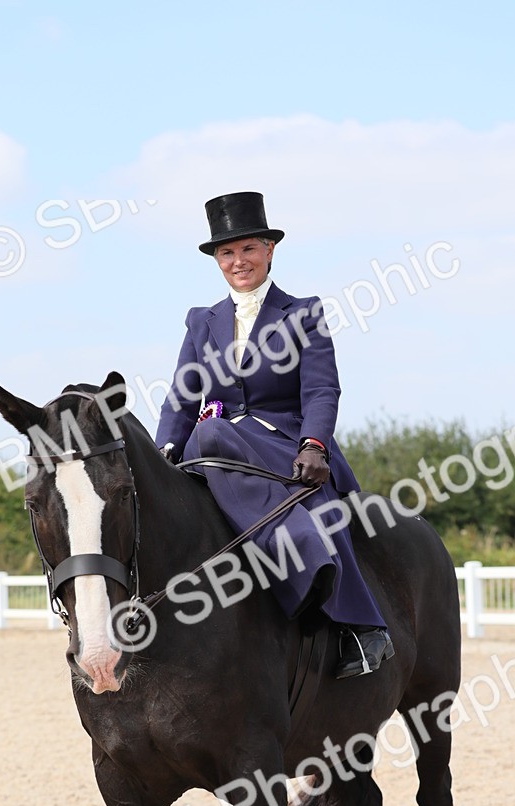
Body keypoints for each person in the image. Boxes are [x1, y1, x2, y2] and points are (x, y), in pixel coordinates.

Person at [155, 191, 393, 678]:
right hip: (219, 447)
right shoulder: (202, 322)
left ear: (269, 250)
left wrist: (314, 444)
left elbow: (322, 389)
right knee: (207, 439)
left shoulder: (303, 313)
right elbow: (183, 397)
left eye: (248, 249)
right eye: (227, 253)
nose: (237, 261)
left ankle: (360, 630)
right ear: (217, 260)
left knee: (323, 507)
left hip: (287, 444)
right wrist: (164, 450)